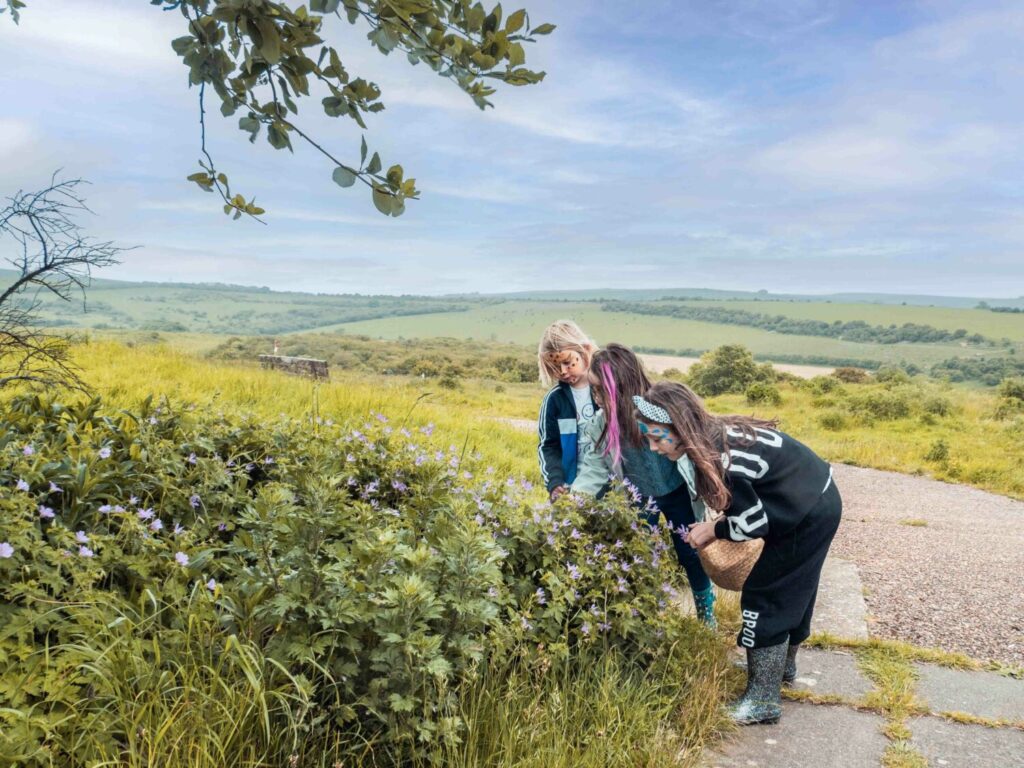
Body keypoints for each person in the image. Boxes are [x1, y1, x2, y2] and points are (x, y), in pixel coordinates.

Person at [634, 380, 842, 725]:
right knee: (797, 589)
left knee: (766, 595)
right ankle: (780, 668)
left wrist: (713, 530)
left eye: (657, 437)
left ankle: (762, 699)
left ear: (680, 427)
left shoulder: (722, 460)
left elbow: (752, 525)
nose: (654, 447)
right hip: (815, 498)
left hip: (805, 513)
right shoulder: (714, 435)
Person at [570, 344, 717, 628]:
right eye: (594, 390)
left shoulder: (660, 412)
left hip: (678, 493)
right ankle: (645, 615)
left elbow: (696, 447)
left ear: (621, 387)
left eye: (600, 391)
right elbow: (593, 469)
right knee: (638, 554)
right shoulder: (603, 424)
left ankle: (706, 612)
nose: (595, 398)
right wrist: (573, 502)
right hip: (638, 498)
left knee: (691, 552)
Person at [537, 320, 598, 502]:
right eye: (555, 367)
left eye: (567, 362)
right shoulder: (554, 400)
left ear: (585, 350)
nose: (562, 371)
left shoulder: (605, 390)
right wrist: (555, 482)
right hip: (570, 488)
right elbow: (549, 446)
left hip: (608, 485)